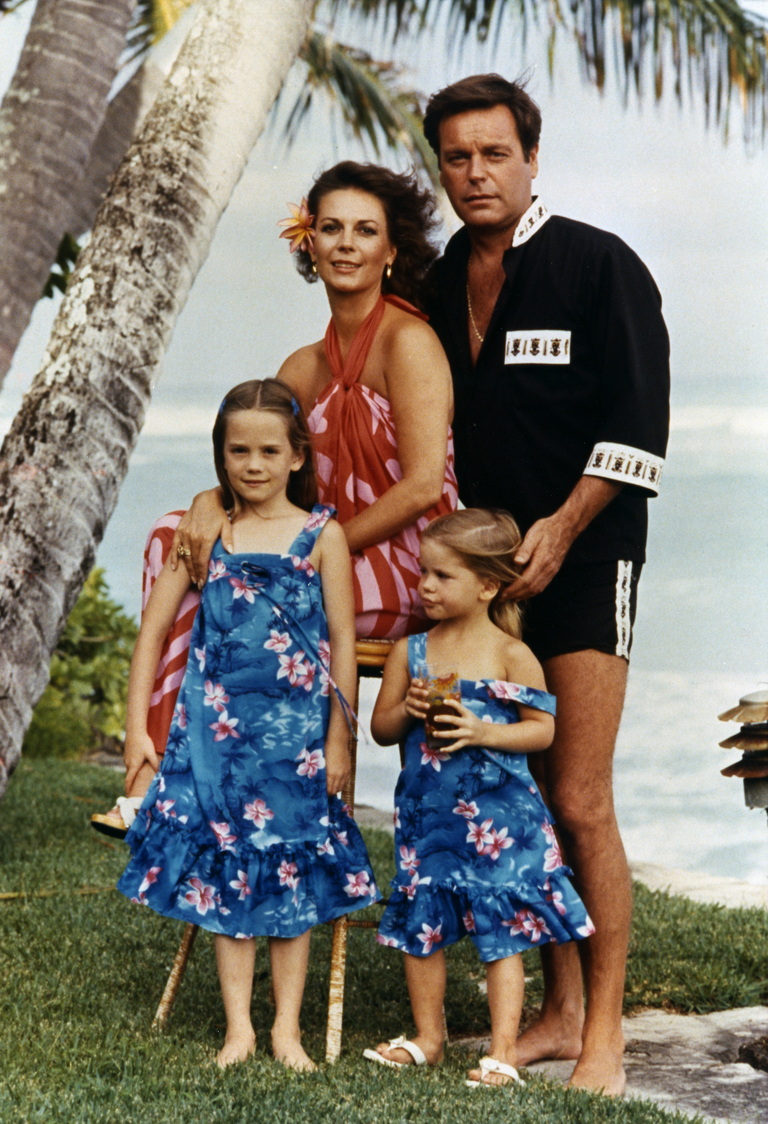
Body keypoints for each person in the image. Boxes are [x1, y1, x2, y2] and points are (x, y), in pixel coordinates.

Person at [420, 75, 670, 1095]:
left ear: (531, 159)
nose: (477, 174)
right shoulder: (439, 281)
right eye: (457, 158)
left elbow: (640, 431)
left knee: (577, 793)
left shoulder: (597, 266)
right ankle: (559, 1009)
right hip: (487, 584)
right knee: (522, 794)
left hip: (588, 559)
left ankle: (603, 1030)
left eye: (495, 154)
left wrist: (565, 527)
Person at [116, 379, 380, 1071]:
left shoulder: (325, 536)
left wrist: (339, 738)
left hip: (296, 742)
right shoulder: (207, 534)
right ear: (220, 455)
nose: (253, 465)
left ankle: (287, 1030)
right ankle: (239, 1030)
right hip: (216, 737)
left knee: (292, 880)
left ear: (297, 456)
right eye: (238, 451)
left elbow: (344, 647)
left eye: (269, 450)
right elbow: (153, 631)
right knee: (226, 878)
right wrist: (136, 726)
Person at [363, 509, 593, 1087]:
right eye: (424, 573)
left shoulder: (510, 654)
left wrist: (483, 731)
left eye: (443, 577)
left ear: (488, 585)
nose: (426, 587)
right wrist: (407, 710)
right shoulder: (411, 652)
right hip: (430, 818)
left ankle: (503, 1050)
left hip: (500, 819)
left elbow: (542, 730)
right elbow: (381, 728)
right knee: (422, 928)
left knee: (503, 932)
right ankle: (428, 1037)